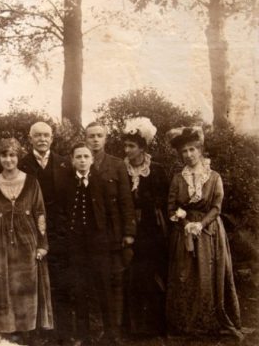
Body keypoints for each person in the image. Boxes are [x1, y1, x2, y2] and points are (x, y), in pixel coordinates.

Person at [165, 127, 242, 337]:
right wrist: (185, 222)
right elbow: (171, 207)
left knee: (208, 273)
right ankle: (185, 322)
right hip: (184, 233)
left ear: (200, 151)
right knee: (185, 274)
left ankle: (210, 320)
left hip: (210, 232)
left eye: (192, 150)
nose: (188, 155)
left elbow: (217, 207)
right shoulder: (178, 178)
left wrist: (201, 225)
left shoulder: (214, 177)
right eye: (184, 152)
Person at [0, 138, 53, 344]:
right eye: (4, 155)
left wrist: (42, 244)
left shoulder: (31, 182)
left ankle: (28, 329)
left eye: (12, 155)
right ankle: (8, 329)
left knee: (27, 284)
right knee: (5, 283)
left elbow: (40, 213)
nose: (8, 160)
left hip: (27, 239)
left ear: (18, 157)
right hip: (0, 242)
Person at [85, 122, 136, 343]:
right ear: (85, 139)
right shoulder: (79, 163)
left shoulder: (116, 166)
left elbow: (126, 201)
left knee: (115, 281)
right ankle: (97, 329)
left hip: (112, 233)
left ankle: (114, 330)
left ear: (106, 139)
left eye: (99, 136)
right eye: (91, 136)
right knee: (96, 282)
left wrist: (129, 232)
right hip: (89, 235)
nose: (95, 140)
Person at [18, 122, 70, 340]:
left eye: (46, 135)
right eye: (37, 135)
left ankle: (61, 332)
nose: (42, 139)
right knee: (33, 280)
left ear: (52, 138)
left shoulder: (64, 163)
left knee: (59, 280)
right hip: (31, 232)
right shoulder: (21, 164)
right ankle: (36, 332)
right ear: (30, 139)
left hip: (58, 231)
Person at [58, 142, 113, 346]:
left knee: (103, 286)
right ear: (72, 160)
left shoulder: (102, 182)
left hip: (98, 242)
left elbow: (109, 213)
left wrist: (109, 238)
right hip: (76, 244)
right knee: (79, 287)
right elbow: (62, 212)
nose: (82, 160)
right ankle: (83, 333)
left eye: (86, 156)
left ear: (92, 159)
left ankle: (109, 332)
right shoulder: (66, 183)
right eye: (78, 157)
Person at [121, 117, 169, 337]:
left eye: (132, 146)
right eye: (126, 145)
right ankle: (132, 326)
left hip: (151, 230)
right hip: (129, 229)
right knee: (130, 275)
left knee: (151, 274)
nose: (127, 149)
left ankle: (155, 325)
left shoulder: (156, 170)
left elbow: (164, 200)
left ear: (142, 148)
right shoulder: (121, 169)